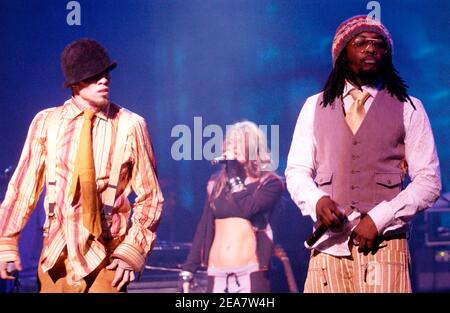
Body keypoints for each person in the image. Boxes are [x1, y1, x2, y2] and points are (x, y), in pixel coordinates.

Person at [285, 15, 441, 293]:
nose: (371, 49)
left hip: (384, 244)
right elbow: (296, 170)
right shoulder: (313, 106)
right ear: (342, 53)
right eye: (360, 43)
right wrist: (317, 200)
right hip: (328, 247)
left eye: (378, 45)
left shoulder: (409, 107)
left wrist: (380, 218)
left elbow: (428, 181)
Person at [0, 39, 164, 292]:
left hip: (107, 258)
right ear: (75, 83)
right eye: (94, 75)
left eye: (106, 73)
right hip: (56, 258)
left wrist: (133, 251)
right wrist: (6, 241)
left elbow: (151, 197)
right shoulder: (47, 123)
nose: (104, 80)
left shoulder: (130, 125)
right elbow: (22, 188)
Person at [181, 121, 283, 293]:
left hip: (250, 272)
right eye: (230, 143)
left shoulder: (269, 183)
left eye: (239, 142)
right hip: (217, 272)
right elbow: (204, 227)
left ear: (253, 146)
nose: (233, 147)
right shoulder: (216, 183)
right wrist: (188, 269)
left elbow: (249, 208)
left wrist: (233, 174)